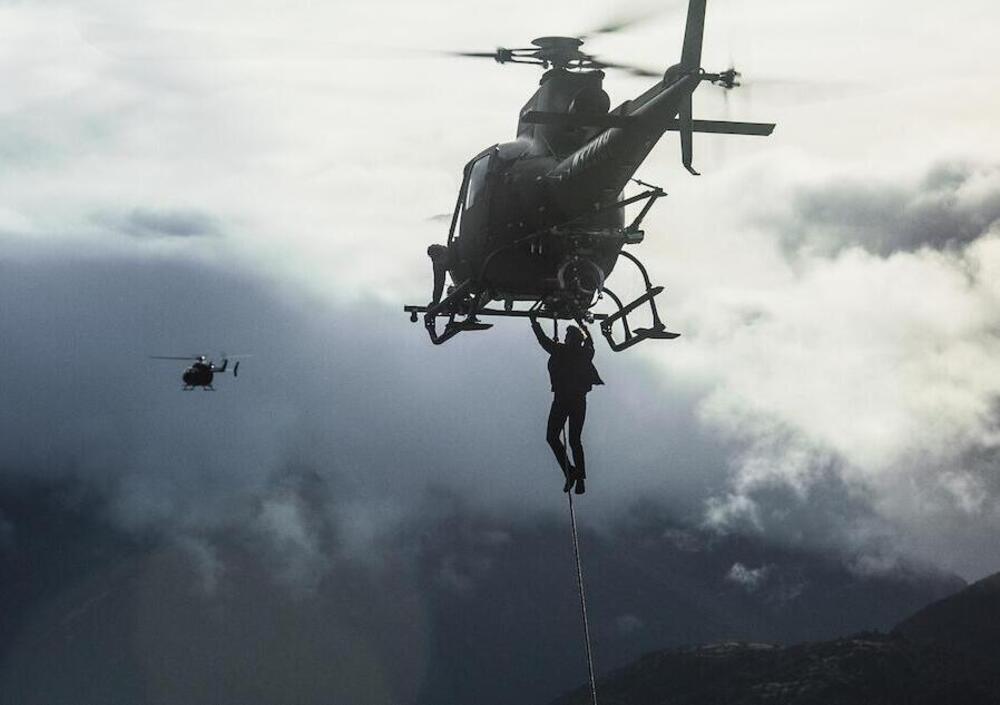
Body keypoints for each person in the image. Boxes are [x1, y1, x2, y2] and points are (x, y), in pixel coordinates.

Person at [529, 311, 603, 494]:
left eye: (567, 336)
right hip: (579, 401)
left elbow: (543, 340)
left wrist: (534, 321)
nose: (565, 338)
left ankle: (570, 472)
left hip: (562, 400)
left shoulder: (561, 351)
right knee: (575, 440)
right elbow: (590, 342)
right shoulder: (586, 353)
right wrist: (583, 325)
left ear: (571, 339)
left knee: (552, 437)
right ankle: (579, 478)